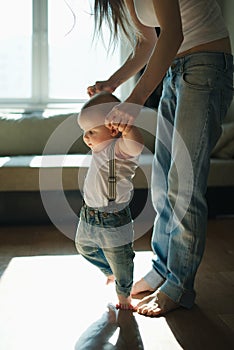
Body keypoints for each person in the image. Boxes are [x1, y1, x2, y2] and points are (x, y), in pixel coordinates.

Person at [87, 0, 234, 316]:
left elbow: (173, 35)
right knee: (161, 181)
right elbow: (147, 41)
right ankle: (162, 268)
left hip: (206, 65)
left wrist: (136, 98)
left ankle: (179, 286)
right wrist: (114, 82)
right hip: (174, 71)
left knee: (184, 184)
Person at [75, 91, 144, 310]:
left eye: (91, 131)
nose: (86, 137)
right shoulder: (99, 149)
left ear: (114, 128)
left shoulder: (120, 149)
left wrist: (129, 129)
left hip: (113, 218)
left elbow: (136, 145)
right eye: (85, 132)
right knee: (84, 247)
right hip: (88, 213)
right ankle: (109, 271)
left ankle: (124, 295)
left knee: (121, 258)